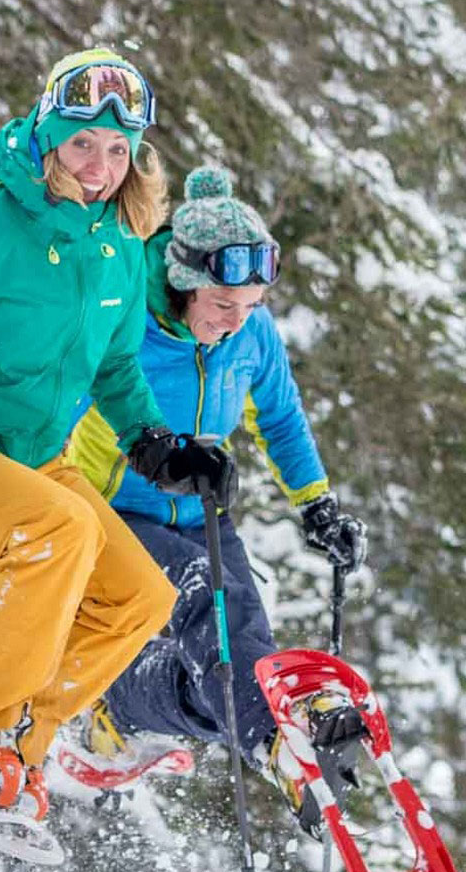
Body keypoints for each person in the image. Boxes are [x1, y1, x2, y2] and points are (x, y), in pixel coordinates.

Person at [0, 48, 233, 828]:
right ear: (47, 135)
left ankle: (14, 751)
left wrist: (155, 444)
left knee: (140, 596)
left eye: (118, 149)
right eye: (82, 144)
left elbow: (113, 364)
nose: (101, 166)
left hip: (40, 459)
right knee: (57, 531)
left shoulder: (118, 249)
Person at [50, 166, 374, 829]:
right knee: (205, 594)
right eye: (222, 305)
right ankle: (273, 742)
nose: (234, 324)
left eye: (250, 307)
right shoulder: (122, 322)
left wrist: (318, 506)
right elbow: (51, 411)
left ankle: (125, 703)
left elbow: (279, 418)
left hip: (203, 510)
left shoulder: (250, 333)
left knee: (235, 642)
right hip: (113, 513)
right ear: (184, 282)